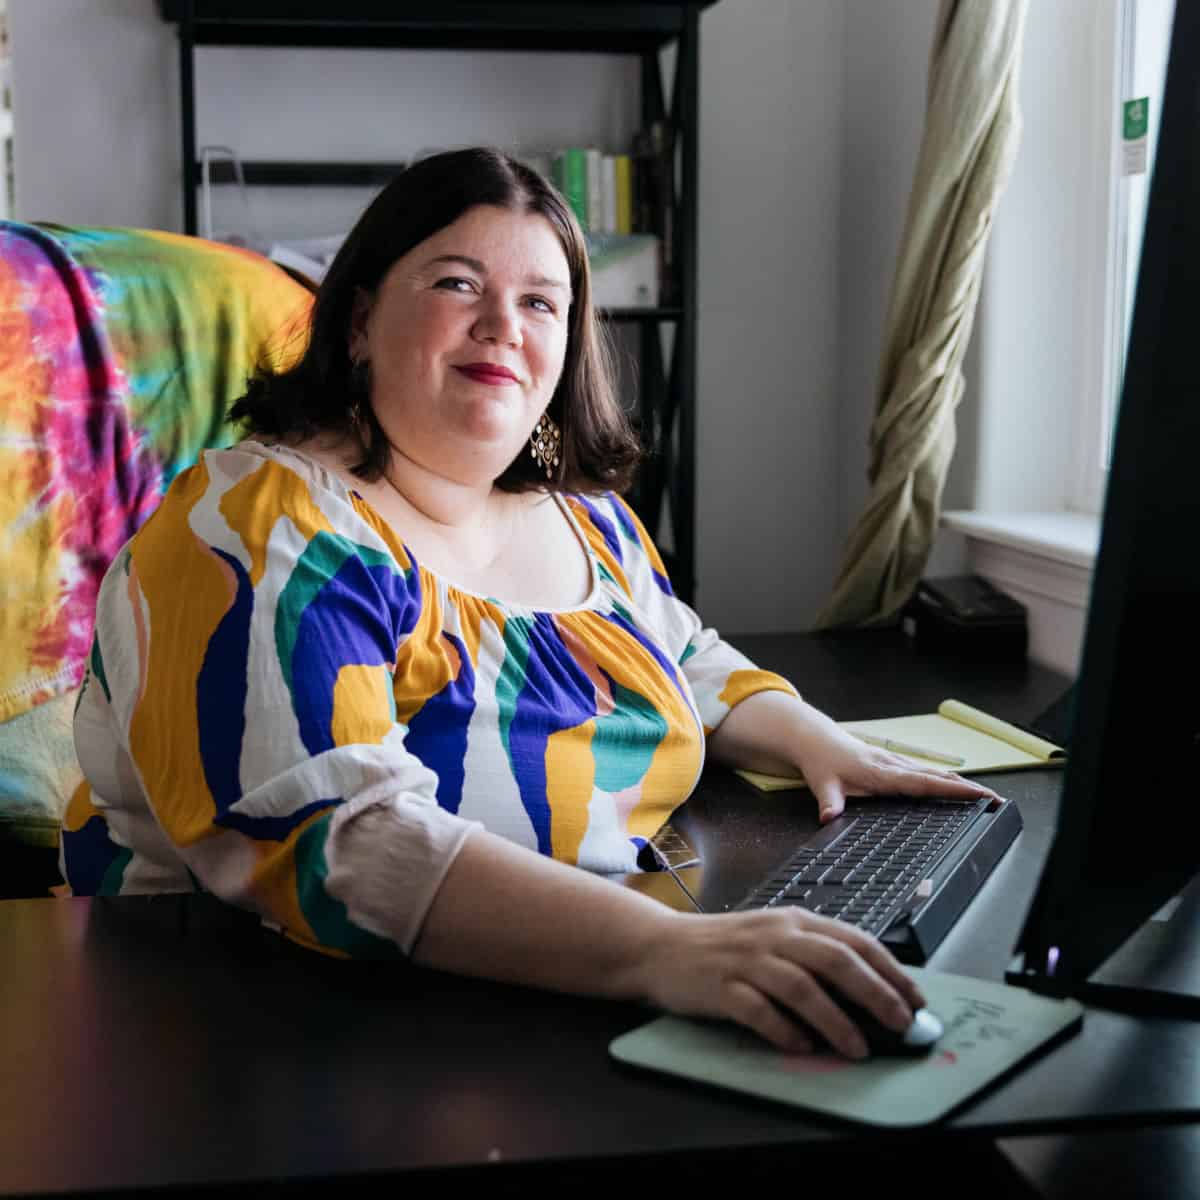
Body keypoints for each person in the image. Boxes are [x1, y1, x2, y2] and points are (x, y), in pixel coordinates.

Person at [62, 147, 993, 1062]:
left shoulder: (587, 522)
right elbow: (336, 848)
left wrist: (809, 736)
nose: (505, 324)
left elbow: (688, 655)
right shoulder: (254, 525)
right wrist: (672, 950)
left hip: (552, 982)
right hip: (257, 1021)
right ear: (357, 321)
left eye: (542, 301)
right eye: (458, 285)